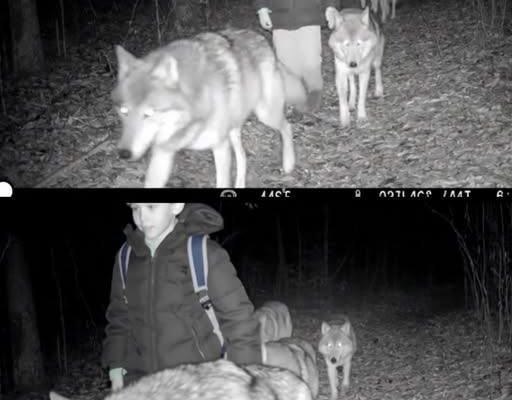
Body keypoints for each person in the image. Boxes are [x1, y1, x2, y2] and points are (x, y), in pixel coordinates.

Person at [101, 203, 261, 390]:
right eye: (136, 208)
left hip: (198, 383)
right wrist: (116, 366)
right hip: (141, 384)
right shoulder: (126, 257)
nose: (142, 218)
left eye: (151, 207)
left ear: (176, 206)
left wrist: (242, 379)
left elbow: (239, 320)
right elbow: (119, 318)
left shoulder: (203, 252)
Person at [255, 0, 341, 111]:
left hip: (310, 15)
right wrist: (262, 9)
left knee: (311, 60)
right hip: (280, 17)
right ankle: (294, 100)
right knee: (286, 62)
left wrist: (330, 6)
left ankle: (314, 93)